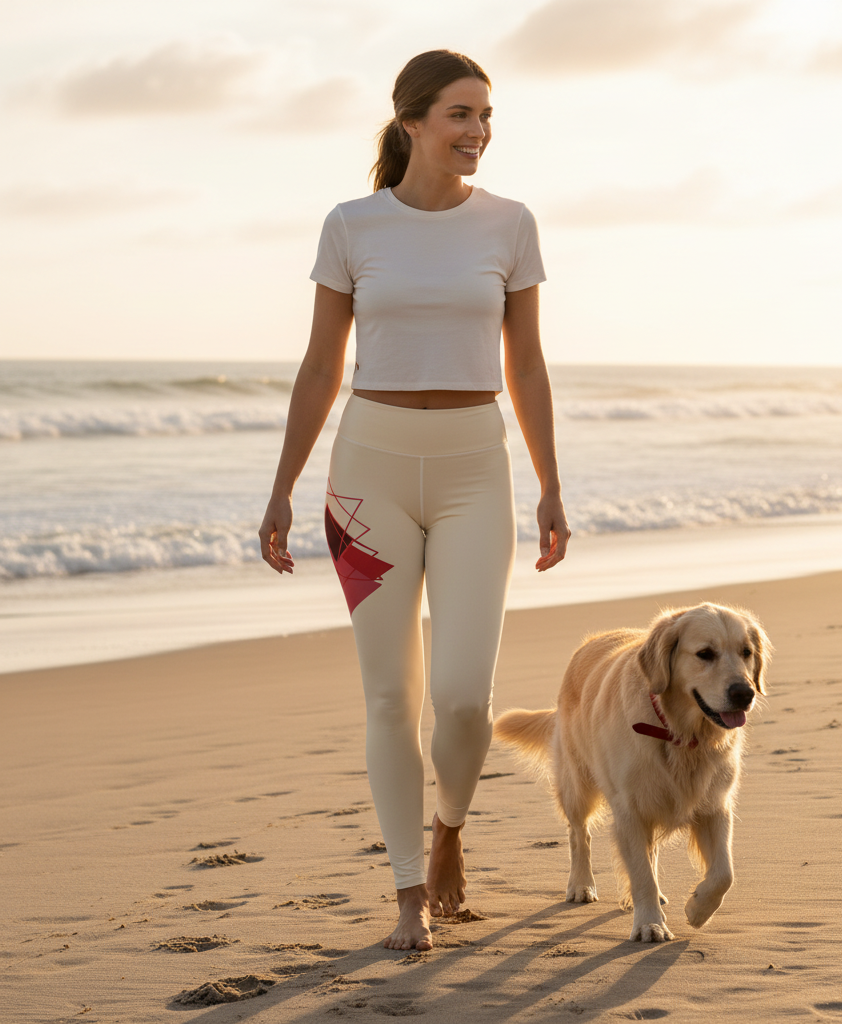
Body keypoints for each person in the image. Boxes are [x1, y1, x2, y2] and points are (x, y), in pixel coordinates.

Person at [258, 49, 570, 953]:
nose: (477, 133)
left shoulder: (510, 224)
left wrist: (551, 483)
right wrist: (280, 487)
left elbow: (528, 364)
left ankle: (450, 831)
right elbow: (321, 366)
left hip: (478, 467)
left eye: (485, 117)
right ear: (412, 124)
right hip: (368, 477)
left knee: (465, 697)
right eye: (460, 116)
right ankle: (406, 893)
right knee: (391, 698)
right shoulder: (353, 225)